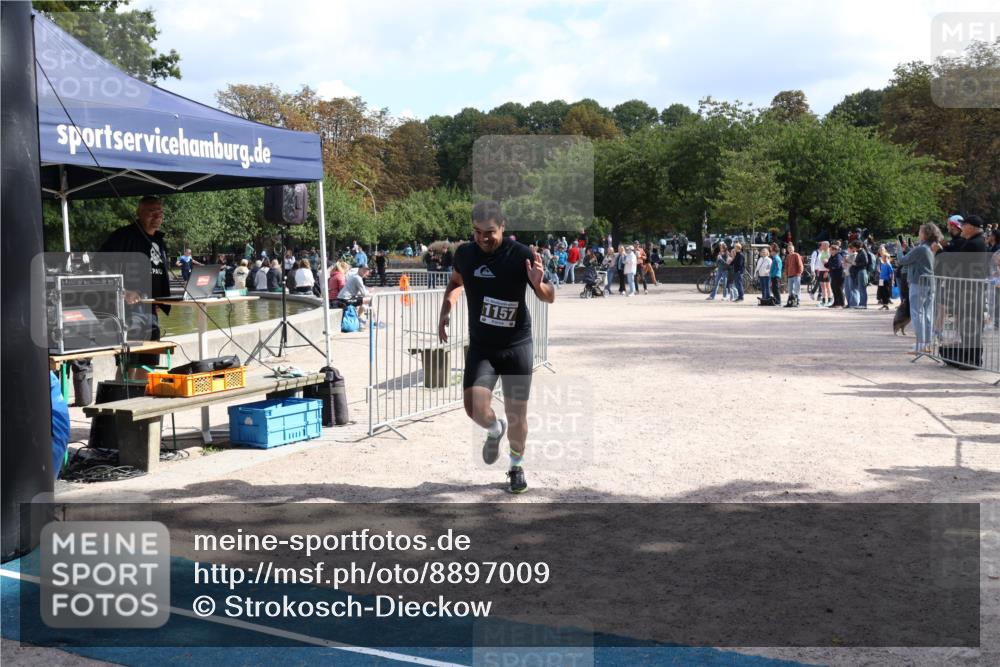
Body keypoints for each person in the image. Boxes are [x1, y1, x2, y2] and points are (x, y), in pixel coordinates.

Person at [437, 201, 555, 494]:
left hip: (516, 346)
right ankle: (493, 429)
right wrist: (446, 310)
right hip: (483, 347)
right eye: (477, 232)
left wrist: (538, 285)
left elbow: (549, 297)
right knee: (473, 407)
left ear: (503, 227)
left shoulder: (522, 255)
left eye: (489, 232)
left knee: (518, 416)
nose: (483, 238)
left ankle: (516, 466)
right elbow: (455, 282)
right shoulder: (465, 253)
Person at [97, 196, 171, 379]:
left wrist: (161, 301)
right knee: (129, 364)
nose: (157, 216)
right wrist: (122, 291)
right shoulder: (124, 236)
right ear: (139, 213)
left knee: (148, 364)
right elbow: (98, 263)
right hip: (130, 312)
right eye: (152, 211)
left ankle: (142, 400)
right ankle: (122, 400)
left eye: (160, 212)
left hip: (152, 309)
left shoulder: (159, 240)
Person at [897, 223, 941, 354]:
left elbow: (902, 260)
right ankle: (927, 344)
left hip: (919, 283)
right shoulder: (929, 247)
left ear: (926, 234)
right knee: (927, 314)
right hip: (930, 283)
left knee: (917, 314)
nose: (918, 234)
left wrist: (898, 248)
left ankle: (921, 344)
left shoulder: (921, 248)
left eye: (920, 232)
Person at [783, 243, 803, 307]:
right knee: (790, 289)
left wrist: (800, 272)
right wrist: (786, 273)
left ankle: (798, 301)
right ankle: (791, 301)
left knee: (797, 288)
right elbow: (786, 266)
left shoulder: (796, 255)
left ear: (793, 249)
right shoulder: (788, 257)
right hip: (790, 275)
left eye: (791, 249)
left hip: (796, 274)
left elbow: (800, 264)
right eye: (789, 249)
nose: (790, 250)